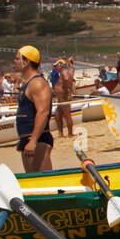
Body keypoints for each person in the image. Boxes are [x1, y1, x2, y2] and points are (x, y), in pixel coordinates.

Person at [14, 44, 54, 172]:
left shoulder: (37, 83)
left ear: (26, 61)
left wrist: (33, 140)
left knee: (44, 184)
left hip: (38, 140)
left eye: (17, 58)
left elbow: (43, 112)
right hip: (29, 139)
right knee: (33, 182)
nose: (14, 62)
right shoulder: (29, 82)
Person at [54, 59, 75, 137]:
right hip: (63, 96)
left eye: (56, 66)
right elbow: (72, 69)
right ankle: (61, 133)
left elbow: (66, 79)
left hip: (64, 96)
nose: (55, 67)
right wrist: (69, 61)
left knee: (67, 115)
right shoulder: (67, 71)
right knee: (57, 115)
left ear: (60, 65)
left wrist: (65, 88)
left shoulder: (64, 72)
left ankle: (70, 133)